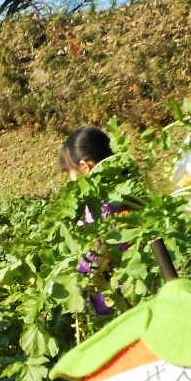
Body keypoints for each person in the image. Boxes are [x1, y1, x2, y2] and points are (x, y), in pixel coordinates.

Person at [59, 126, 122, 316]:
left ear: (85, 166)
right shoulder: (126, 185)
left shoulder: (99, 205)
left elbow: (92, 257)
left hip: (116, 300)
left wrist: (75, 276)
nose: (70, 179)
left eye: (70, 172)